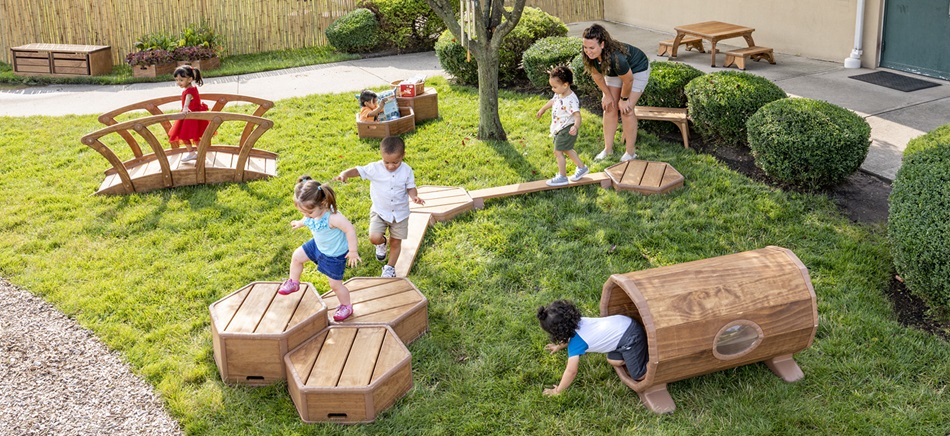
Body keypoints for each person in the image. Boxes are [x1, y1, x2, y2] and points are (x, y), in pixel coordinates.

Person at [334, 136, 425, 278]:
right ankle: (382, 243)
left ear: (403, 155)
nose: (391, 166)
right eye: (386, 162)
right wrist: (345, 174)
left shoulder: (407, 170)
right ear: (381, 156)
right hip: (380, 212)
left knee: (396, 242)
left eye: (395, 162)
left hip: (400, 214)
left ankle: (390, 267)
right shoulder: (375, 168)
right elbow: (358, 170)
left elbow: (410, 187)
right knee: (374, 238)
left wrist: (414, 196)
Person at [279, 175, 361, 322]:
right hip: (317, 245)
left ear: (323, 203)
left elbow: (350, 230)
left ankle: (346, 306)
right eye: (303, 213)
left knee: (335, 285)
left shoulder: (333, 218)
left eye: (309, 213)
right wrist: (300, 222)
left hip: (334, 255)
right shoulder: (312, 213)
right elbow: (308, 218)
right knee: (297, 257)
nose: (306, 216)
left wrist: (353, 251)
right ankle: (294, 282)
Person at [537, 299, 647, 396]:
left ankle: (651, 360)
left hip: (632, 338)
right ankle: (637, 353)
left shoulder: (576, 344)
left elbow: (571, 371)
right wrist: (558, 347)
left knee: (638, 375)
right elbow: (570, 336)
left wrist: (558, 391)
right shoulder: (578, 322)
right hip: (625, 323)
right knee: (614, 361)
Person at [581, 24, 650, 163]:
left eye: (592, 48)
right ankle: (608, 149)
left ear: (602, 44)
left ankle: (630, 153)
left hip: (636, 70)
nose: (588, 51)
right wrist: (607, 95)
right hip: (615, 71)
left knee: (626, 110)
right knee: (609, 107)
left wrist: (624, 99)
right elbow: (597, 76)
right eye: (585, 47)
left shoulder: (617, 58)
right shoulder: (589, 54)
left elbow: (628, 80)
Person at [536, 66, 589, 187]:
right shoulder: (559, 94)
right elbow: (552, 101)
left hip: (567, 128)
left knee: (558, 151)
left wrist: (576, 127)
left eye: (554, 87)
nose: (552, 89)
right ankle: (581, 167)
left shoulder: (570, 100)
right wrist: (543, 109)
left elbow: (577, 115)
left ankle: (562, 177)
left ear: (565, 85)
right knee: (566, 149)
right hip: (560, 128)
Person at [168, 65, 210, 163]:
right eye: (176, 80)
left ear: (190, 79)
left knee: (189, 136)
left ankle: (197, 154)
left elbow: (188, 98)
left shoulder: (189, 91)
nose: (178, 82)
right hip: (191, 116)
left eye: (181, 80)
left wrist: (185, 108)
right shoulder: (191, 88)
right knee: (191, 137)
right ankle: (196, 154)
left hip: (191, 117)